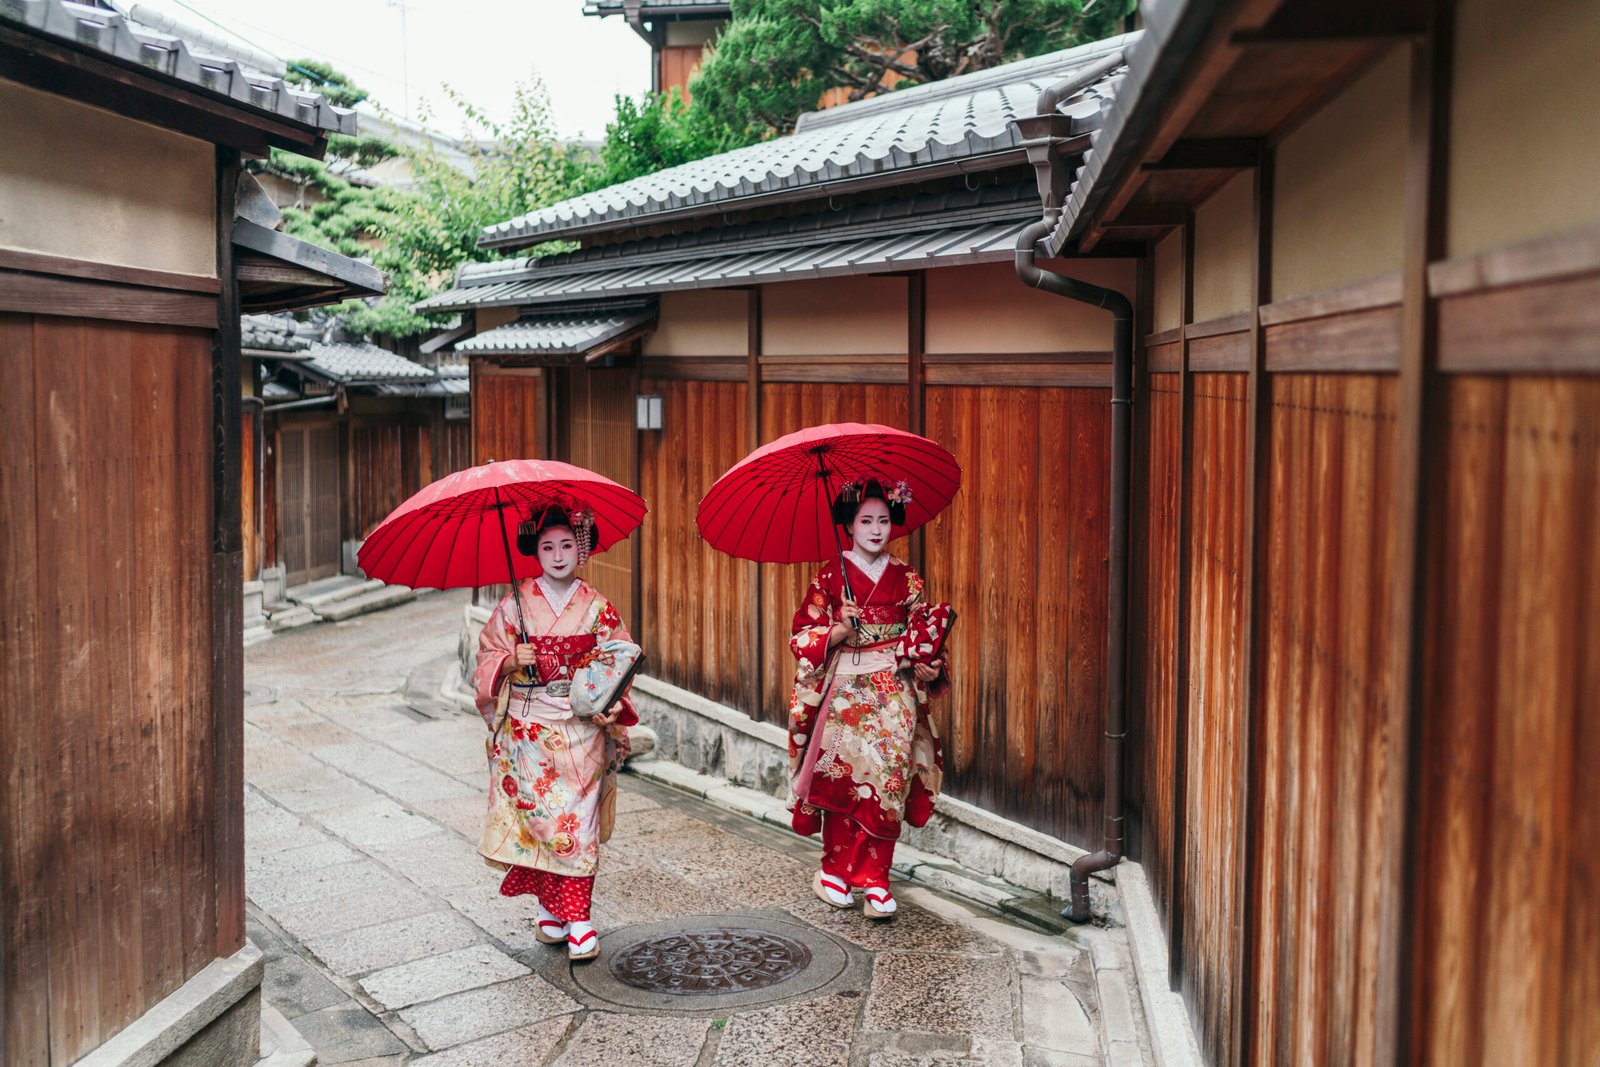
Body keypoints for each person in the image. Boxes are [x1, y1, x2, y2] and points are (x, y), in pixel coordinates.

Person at [471, 503, 636, 960]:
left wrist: (609, 703)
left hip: (580, 728)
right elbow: (484, 657)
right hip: (529, 731)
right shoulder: (514, 605)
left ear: (579, 549)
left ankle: (579, 918)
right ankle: (550, 909)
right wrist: (508, 661)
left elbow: (620, 657)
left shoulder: (597, 606)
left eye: (566, 544)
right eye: (547, 546)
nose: (558, 555)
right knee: (539, 823)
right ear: (534, 551)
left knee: (575, 825)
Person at [787, 478, 949, 920]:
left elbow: (925, 637)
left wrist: (930, 664)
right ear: (849, 526)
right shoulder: (829, 574)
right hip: (845, 689)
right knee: (841, 778)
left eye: (882, 519)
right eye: (865, 520)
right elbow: (802, 636)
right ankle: (834, 871)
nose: (876, 529)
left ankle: (876, 878)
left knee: (887, 780)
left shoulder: (907, 578)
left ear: (893, 523)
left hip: (893, 688)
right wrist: (840, 628)